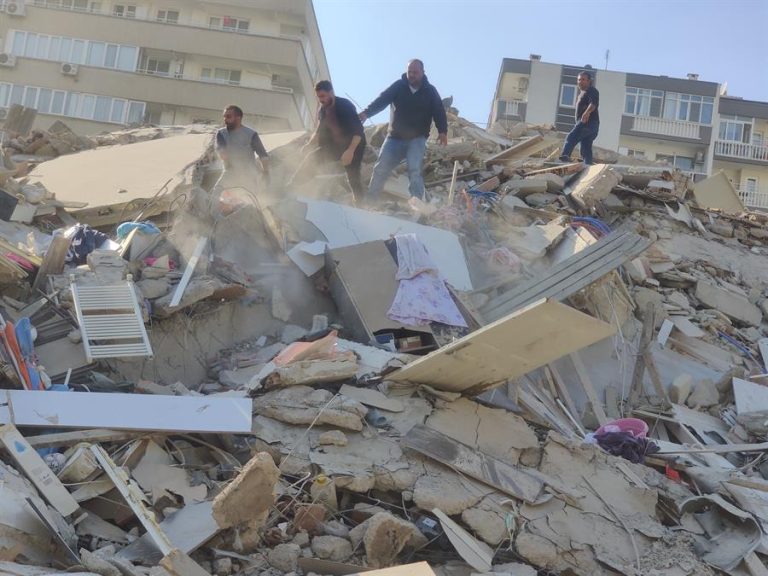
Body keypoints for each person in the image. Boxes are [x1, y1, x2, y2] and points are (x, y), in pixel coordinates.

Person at [360, 59, 447, 201]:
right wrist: (366, 112)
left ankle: (417, 204)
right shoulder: (399, 86)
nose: (411, 75)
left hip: (417, 139)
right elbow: (382, 100)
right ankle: (370, 201)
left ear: (423, 72)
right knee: (381, 167)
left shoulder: (430, 91)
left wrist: (442, 131)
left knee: (414, 170)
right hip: (394, 138)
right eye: (409, 72)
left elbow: (439, 111)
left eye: (415, 72)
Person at [291, 80, 366, 202]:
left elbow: (358, 131)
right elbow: (319, 130)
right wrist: (309, 145)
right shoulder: (322, 110)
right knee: (312, 159)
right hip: (335, 145)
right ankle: (292, 187)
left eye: (322, 96)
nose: (320, 100)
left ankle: (361, 205)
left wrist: (350, 151)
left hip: (354, 144)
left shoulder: (345, 105)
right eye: (318, 97)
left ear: (331, 92)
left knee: (353, 176)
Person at [214, 105, 270, 192]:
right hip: (229, 172)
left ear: (238, 118)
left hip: (248, 174)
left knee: (249, 199)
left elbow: (263, 155)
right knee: (216, 193)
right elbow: (221, 152)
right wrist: (222, 153)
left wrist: (265, 173)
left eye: (228, 116)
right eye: (224, 117)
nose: (225, 119)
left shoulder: (251, 134)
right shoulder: (221, 133)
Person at [559, 71, 600, 165]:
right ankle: (588, 164)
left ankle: (565, 155)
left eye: (583, 80)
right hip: (591, 125)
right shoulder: (582, 93)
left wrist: (586, 113)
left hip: (588, 122)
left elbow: (593, 104)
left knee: (572, 137)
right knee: (585, 147)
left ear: (589, 81)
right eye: (579, 79)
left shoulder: (591, 90)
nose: (580, 82)